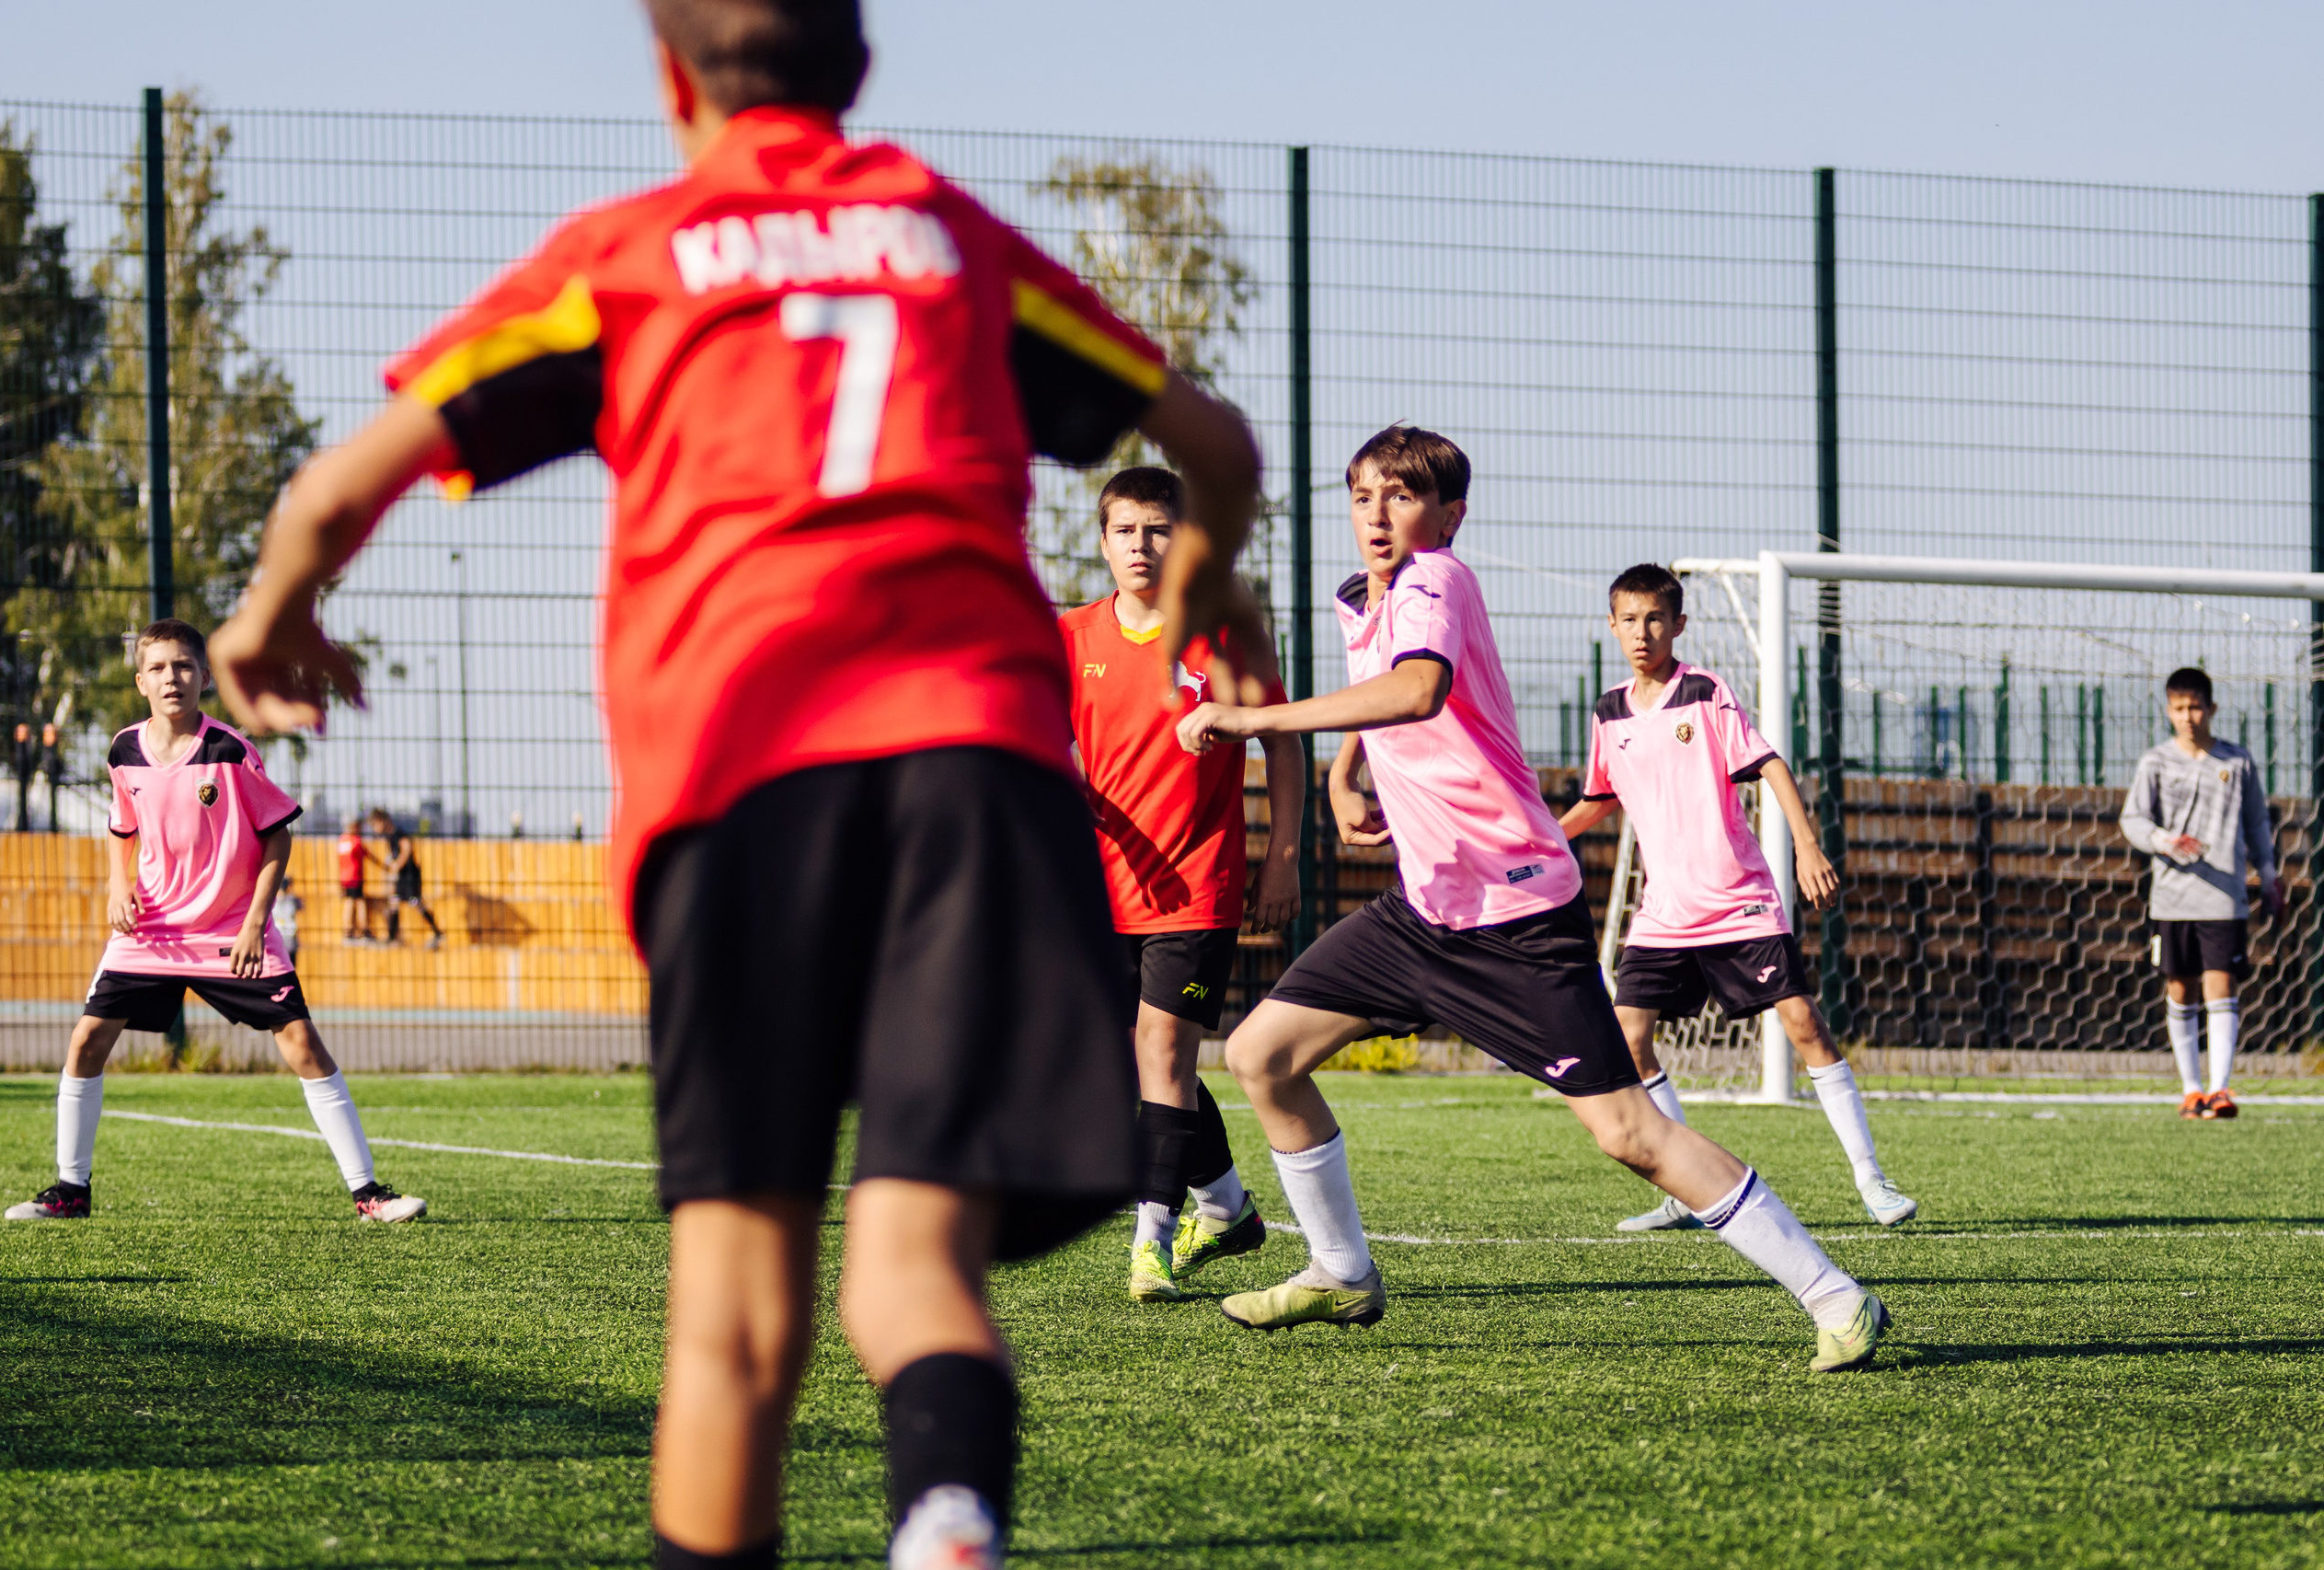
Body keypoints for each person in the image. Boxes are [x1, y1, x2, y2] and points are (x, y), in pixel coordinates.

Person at [203, 3, 1270, 1564]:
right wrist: (1215, 586)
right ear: (861, 70)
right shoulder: (945, 234)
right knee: (914, 1272)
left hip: (745, 774)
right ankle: (951, 1514)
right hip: (976, 766)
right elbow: (1215, 441)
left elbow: (331, 484)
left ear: (667, 74)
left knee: (733, 1322)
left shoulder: (635, 250)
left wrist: (270, 614)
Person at [1177, 425, 1887, 1374]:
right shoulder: (1361, 600)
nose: (1377, 517)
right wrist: (1348, 773)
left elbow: (1419, 688)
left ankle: (1838, 1295)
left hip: (1514, 917)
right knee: (1262, 1053)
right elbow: (1384, 694)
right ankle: (1342, 1269)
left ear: (1449, 515)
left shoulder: (1439, 576)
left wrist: (1254, 718)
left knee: (1628, 1132)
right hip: (1424, 911)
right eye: (1361, 497)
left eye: (1400, 497)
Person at [3, 619, 425, 1226]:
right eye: (158, 667)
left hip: (231, 929)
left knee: (302, 1044)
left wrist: (256, 922)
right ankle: (71, 1191)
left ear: (203, 676)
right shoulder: (123, 750)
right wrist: (117, 885)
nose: (171, 677)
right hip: (152, 932)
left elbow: (277, 837)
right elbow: (122, 827)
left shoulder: (230, 750)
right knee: (86, 1042)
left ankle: (369, 1194)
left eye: (183, 666)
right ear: (141, 679)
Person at [1554, 563, 1916, 1231]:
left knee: (1803, 1023)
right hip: (1665, 913)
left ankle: (1872, 1180)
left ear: (1679, 625)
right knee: (1629, 1040)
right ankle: (1686, 1188)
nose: (1643, 632)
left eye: (1656, 618)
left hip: (1737, 899)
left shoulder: (1704, 691)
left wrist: (1807, 847)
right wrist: (1538, 839)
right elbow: (1598, 799)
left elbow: (1769, 763)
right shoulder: (1609, 711)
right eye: (1630, 619)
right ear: (1611, 625)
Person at [1060, 465, 1304, 1303]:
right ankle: (1228, 1207)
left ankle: (1150, 1241)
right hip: (1100, 891)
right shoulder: (1071, 638)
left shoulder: (1220, 636)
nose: (1141, 544)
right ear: (1103, 542)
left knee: (1163, 1051)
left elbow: (1284, 742)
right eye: (1125, 530)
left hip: (1197, 886)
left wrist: (1281, 856)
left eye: (1158, 529)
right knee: (1125, 1056)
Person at [2121, 665, 2281, 1120]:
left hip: (2223, 896)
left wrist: (2268, 872)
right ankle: (2191, 1090)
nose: (2188, 716)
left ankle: (2220, 1090)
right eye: (2178, 708)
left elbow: (2257, 823)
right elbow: (2132, 821)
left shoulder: (2237, 762)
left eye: (2195, 707)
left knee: (2222, 987)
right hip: (2172, 898)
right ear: (2168, 711)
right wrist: (2163, 840)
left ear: (2211, 708)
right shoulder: (2155, 762)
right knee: (2180, 988)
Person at [371, 807, 444, 949]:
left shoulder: (397, 833)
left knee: (415, 902)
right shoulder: (390, 836)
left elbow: (407, 847)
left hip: (409, 876)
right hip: (402, 876)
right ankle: (392, 937)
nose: (375, 828)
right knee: (394, 901)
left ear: (382, 821)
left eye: (375, 824)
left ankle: (437, 932)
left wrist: (397, 865)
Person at [336, 814, 378, 941]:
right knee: (360, 903)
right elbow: (367, 854)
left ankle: (347, 932)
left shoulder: (342, 841)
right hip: (355, 876)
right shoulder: (356, 841)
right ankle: (364, 931)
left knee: (349, 903)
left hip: (344, 878)